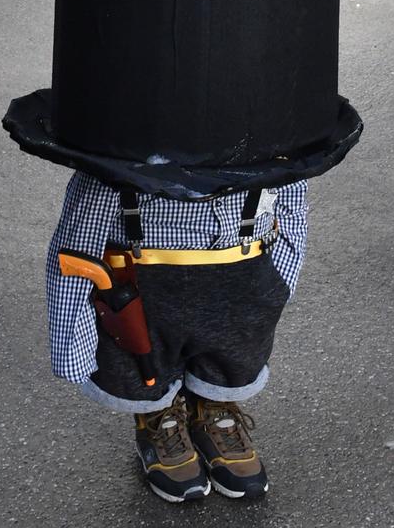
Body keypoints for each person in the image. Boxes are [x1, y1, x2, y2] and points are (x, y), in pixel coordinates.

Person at [46, 175, 309, 500]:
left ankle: (214, 405)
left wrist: (282, 276)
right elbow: (82, 229)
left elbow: (292, 178)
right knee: (144, 359)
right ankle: (157, 415)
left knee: (232, 348)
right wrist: (73, 345)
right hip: (145, 265)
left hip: (243, 249)